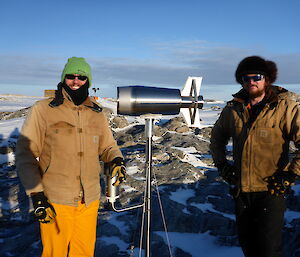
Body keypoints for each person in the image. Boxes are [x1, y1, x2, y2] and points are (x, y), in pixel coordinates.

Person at [16, 57, 126, 257]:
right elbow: (26, 155)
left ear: (88, 81)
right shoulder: (43, 110)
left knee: (84, 253)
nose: (76, 81)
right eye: (71, 76)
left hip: (89, 200)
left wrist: (116, 159)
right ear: (63, 78)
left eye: (82, 77)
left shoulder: (97, 113)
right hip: (56, 200)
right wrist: (37, 195)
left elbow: (108, 146)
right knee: (54, 253)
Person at [210, 56, 299, 257]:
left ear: (267, 79)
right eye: (245, 78)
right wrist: (223, 166)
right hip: (242, 191)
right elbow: (217, 139)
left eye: (256, 77)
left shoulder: (284, 107)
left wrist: (290, 175)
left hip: (271, 190)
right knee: (248, 248)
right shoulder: (233, 109)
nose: (251, 81)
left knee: (268, 250)